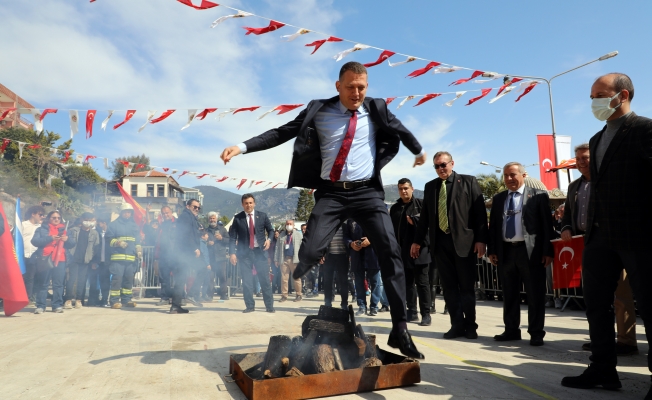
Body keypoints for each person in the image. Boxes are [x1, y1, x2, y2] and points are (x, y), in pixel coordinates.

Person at [219, 61, 426, 359]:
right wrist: (242, 146)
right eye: (351, 86)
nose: (357, 93)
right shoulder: (319, 110)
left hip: (367, 192)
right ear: (338, 86)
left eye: (362, 87)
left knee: (391, 252)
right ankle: (308, 259)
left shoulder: (376, 107)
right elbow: (281, 132)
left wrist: (418, 151)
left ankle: (401, 328)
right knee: (312, 247)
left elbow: (400, 130)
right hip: (331, 193)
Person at [562, 73, 652, 393]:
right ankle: (602, 369)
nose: (593, 102)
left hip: (638, 236)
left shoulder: (645, 129)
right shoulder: (598, 139)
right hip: (600, 238)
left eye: (599, 95)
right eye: (591, 96)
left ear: (622, 95)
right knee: (596, 304)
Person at [413, 152, 488, 338]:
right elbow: (424, 218)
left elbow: (480, 214)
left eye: (443, 165)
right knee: (449, 288)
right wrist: (417, 241)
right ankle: (456, 325)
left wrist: (481, 240)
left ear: (452, 163)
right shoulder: (431, 187)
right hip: (440, 244)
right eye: (437, 166)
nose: (440, 169)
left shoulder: (468, 182)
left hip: (464, 244)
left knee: (467, 288)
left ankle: (470, 326)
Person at [487, 162, 553, 346]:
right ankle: (511, 330)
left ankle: (536, 332)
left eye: (513, 175)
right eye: (506, 175)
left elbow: (547, 225)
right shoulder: (499, 198)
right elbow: (493, 227)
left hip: (530, 253)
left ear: (523, 175)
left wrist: (548, 251)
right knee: (509, 294)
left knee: (535, 294)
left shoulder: (538, 196)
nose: (509, 179)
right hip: (506, 252)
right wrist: (492, 250)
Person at [390, 178, 432, 326]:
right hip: (402, 253)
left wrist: (414, 222)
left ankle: (426, 314)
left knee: (422, 283)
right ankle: (412, 312)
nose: (403, 191)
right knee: (407, 284)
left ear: (412, 188)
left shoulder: (421, 204)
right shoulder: (395, 208)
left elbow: (429, 226)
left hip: (421, 251)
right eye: (401, 188)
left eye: (406, 188)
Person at [229, 194, 275, 313]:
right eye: (246, 203)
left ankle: (269, 306)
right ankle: (250, 306)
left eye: (250, 203)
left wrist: (269, 240)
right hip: (245, 254)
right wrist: (232, 253)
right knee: (247, 281)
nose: (248, 205)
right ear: (242, 204)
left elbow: (271, 230)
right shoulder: (238, 218)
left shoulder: (262, 216)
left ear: (254, 203)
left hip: (260, 252)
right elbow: (232, 237)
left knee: (264, 280)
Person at [31, 211, 76, 314]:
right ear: (49, 218)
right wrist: (50, 238)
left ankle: (57, 305)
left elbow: (72, 244)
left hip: (61, 260)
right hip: (45, 259)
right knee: (43, 283)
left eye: (58, 218)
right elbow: (35, 241)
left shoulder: (65, 230)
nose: (56, 219)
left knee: (58, 284)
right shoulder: (41, 229)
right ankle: (41, 306)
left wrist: (67, 239)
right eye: (54, 217)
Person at [106, 203, 141, 309]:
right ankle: (114, 301)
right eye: (125, 212)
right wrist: (117, 243)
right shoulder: (113, 224)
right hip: (118, 258)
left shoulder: (134, 225)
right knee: (117, 279)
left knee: (129, 280)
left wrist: (139, 249)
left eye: (129, 212)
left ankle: (126, 300)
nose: (127, 214)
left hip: (131, 258)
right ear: (121, 213)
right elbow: (108, 239)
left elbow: (137, 240)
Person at [172, 199, 203, 313]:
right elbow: (185, 234)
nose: (196, 209)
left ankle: (175, 306)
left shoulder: (191, 218)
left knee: (180, 280)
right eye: (194, 207)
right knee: (203, 269)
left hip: (184, 253)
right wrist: (194, 248)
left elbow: (191, 233)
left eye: (198, 208)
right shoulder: (185, 216)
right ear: (188, 206)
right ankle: (191, 295)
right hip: (185, 252)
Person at [64, 212, 100, 309]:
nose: (88, 222)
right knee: (71, 280)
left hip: (85, 260)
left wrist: (93, 260)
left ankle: (79, 300)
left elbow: (96, 248)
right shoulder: (73, 230)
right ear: (81, 220)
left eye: (90, 220)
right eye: (86, 219)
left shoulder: (94, 233)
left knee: (82, 281)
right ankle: (68, 300)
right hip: (73, 259)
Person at [322, 223, 349, 309]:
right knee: (327, 281)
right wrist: (321, 255)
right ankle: (328, 302)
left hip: (343, 256)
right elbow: (322, 241)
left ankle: (344, 303)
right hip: (329, 256)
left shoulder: (345, 227)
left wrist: (350, 255)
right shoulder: (328, 227)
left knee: (343, 281)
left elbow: (349, 239)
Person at [274, 219, 303, 302]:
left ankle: (298, 294)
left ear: (293, 225)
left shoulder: (298, 235)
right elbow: (277, 248)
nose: (288, 225)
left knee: (297, 278)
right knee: (284, 279)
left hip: (295, 260)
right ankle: (284, 295)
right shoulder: (281, 235)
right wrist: (276, 259)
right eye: (287, 224)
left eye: (290, 224)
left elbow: (302, 247)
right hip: (284, 259)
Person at [21, 205, 45, 303]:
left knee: (33, 277)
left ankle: (30, 297)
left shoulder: (41, 227)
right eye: (40, 214)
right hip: (22, 255)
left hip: (35, 255)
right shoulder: (22, 225)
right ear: (33, 214)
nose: (42, 217)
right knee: (24, 277)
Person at [155, 206, 176, 306]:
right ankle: (165, 297)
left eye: (167, 213)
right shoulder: (161, 226)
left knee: (178, 277)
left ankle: (179, 298)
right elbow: (158, 241)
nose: (165, 215)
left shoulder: (177, 223)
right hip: (164, 255)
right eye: (163, 213)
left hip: (176, 255)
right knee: (163, 278)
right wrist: (157, 256)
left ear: (171, 212)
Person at [206, 212, 229, 301]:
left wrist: (221, 239)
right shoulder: (206, 230)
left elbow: (229, 240)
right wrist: (208, 243)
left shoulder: (222, 230)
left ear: (216, 219)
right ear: (208, 220)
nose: (212, 220)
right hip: (211, 258)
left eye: (213, 218)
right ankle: (209, 295)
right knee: (210, 277)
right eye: (210, 218)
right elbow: (202, 242)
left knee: (222, 276)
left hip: (221, 257)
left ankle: (223, 294)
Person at [88, 217, 110, 307]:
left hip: (106, 262)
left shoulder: (110, 234)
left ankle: (104, 300)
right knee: (93, 282)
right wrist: (93, 261)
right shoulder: (96, 233)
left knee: (105, 282)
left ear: (104, 223)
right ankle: (93, 300)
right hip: (96, 261)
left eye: (99, 223)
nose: (98, 224)